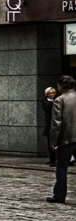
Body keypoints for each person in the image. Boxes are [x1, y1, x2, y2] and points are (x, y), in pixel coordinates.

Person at [50, 76, 76, 205]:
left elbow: (56, 123)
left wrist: (54, 142)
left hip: (67, 139)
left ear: (62, 86)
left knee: (61, 167)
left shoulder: (59, 100)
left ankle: (59, 195)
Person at [43, 86, 58, 166]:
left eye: (52, 93)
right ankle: (52, 159)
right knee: (50, 144)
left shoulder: (58, 100)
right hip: (49, 125)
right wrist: (50, 101)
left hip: (57, 124)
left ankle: (57, 160)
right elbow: (46, 108)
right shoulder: (45, 101)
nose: (50, 95)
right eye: (48, 94)